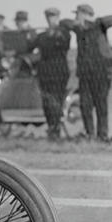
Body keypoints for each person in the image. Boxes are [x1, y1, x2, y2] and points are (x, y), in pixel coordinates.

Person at [61, 4, 112, 140]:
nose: (75, 16)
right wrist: (79, 23)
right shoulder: (78, 29)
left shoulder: (99, 25)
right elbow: (64, 22)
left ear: (85, 13)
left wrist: (95, 21)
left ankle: (102, 135)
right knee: (85, 105)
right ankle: (90, 134)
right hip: (85, 74)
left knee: (101, 105)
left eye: (77, 13)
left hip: (101, 73)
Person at [32, 8, 71, 140]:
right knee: (47, 103)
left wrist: (57, 31)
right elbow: (30, 46)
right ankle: (51, 127)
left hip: (59, 73)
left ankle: (56, 128)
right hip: (45, 73)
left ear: (58, 17)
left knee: (57, 101)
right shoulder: (42, 36)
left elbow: (65, 45)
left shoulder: (64, 34)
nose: (51, 19)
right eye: (48, 17)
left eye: (53, 16)